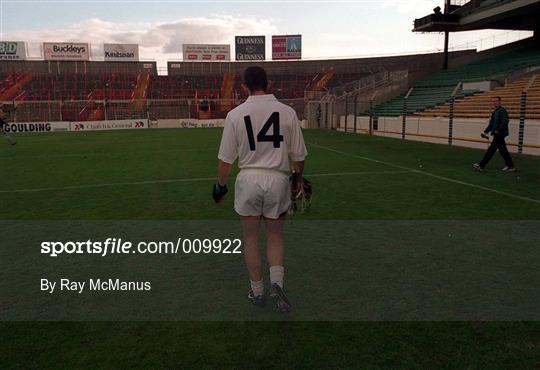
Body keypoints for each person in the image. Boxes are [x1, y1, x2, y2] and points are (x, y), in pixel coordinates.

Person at [213, 66, 307, 312]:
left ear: (244, 86)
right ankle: (277, 283)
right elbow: (299, 156)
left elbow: (225, 160)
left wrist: (220, 188)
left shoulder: (235, 115)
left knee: (251, 238)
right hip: (277, 179)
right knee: (275, 236)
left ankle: (257, 292)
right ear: (270, 83)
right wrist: (297, 179)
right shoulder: (287, 112)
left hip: (249, 181)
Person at [473, 97, 515, 172]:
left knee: (491, 150)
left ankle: (481, 165)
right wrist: (485, 131)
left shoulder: (502, 111)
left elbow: (505, 122)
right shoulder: (495, 112)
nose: (494, 102)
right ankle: (510, 166)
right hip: (497, 134)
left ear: (500, 102)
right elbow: (491, 124)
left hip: (499, 134)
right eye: (493, 101)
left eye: (496, 101)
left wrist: (498, 130)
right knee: (503, 150)